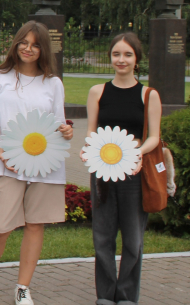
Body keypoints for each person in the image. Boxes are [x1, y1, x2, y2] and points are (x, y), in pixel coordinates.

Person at [0, 21, 73, 305]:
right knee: (1, 225)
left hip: (46, 165)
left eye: (34, 44)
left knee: (35, 225)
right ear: (16, 44)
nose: (28, 49)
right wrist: (1, 150)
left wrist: (67, 131)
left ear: (43, 49)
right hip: (6, 164)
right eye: (23, 42)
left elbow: (58, 123)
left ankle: (22, 287)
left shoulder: (53, 83)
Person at [81, 33, 161, 305]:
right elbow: (91, 131)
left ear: (137, 59)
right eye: (116, 54)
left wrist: (135, 153)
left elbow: (153, 137)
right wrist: (88, 150)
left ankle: (126, 296)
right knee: (102, 237)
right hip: (102, 173)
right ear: (110, 58)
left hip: (134, 175)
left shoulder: (148, 94)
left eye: (127, 54)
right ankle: (105, 295)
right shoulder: (97, 92)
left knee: (133, 239)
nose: (121, 60)